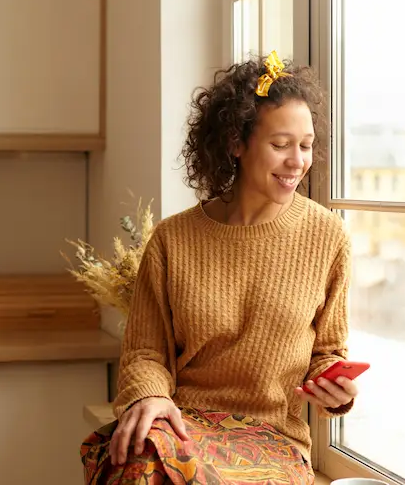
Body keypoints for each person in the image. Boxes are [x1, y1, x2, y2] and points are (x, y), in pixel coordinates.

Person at [80, 52, 359, 484]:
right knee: (136, 462)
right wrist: (151, 396)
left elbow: (327, 353)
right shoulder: (173, 239)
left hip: (273, 439)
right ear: (236, 143)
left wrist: (333, 386)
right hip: (181, 424)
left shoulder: (327, 237)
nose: (297, 162)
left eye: (305, 146)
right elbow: (146, 352)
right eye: (281, 145)